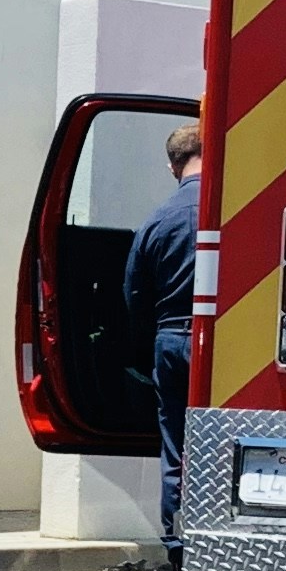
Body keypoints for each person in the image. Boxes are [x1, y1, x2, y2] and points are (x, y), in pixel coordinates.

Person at [128, 120, 205, 548]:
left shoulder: (156, 221)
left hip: (171, 341)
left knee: (176, 455)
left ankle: (180, 568)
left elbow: (134, 295)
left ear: (173, 166)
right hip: (219, 345)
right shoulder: (235, 210)